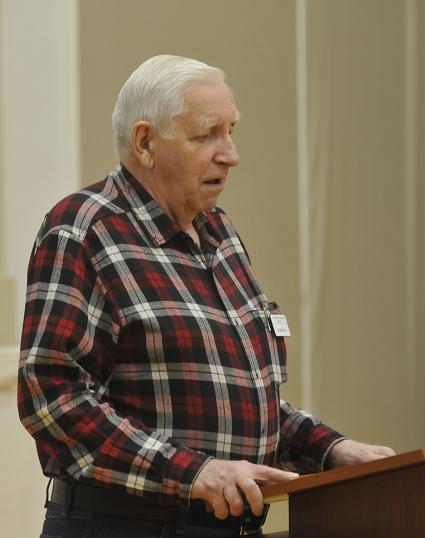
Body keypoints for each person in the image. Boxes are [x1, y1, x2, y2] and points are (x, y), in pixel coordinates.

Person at [18, 55, 394, 538]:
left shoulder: (220, 234)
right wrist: (192, 472)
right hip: (126, 524)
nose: (231, 153)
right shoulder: (83, 230)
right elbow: (53, 397)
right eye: (206, 135)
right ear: (145, 143)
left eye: (231, 130)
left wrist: (333, 450)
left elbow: (240, 395)